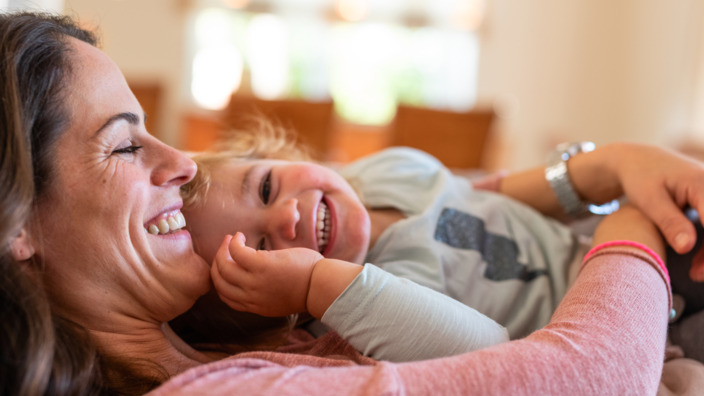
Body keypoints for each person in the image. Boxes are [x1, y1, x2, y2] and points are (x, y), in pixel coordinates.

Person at [0, 10, 697, 396]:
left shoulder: (225, 332)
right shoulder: (241, 362)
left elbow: (457, 195)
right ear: (17, 226)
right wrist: (635, 218)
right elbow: (585, 381)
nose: (180, 164)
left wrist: (604, 167)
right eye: (125, 146)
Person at [180, 124, 704, 362]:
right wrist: (318, 286)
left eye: (267, 185)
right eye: (261, 250)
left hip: (619, 243)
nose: (288, 215)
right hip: (648, 331)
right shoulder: (367, 315)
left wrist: (608, 168)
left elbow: (491, 194)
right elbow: (487, 354)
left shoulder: (386, 173)